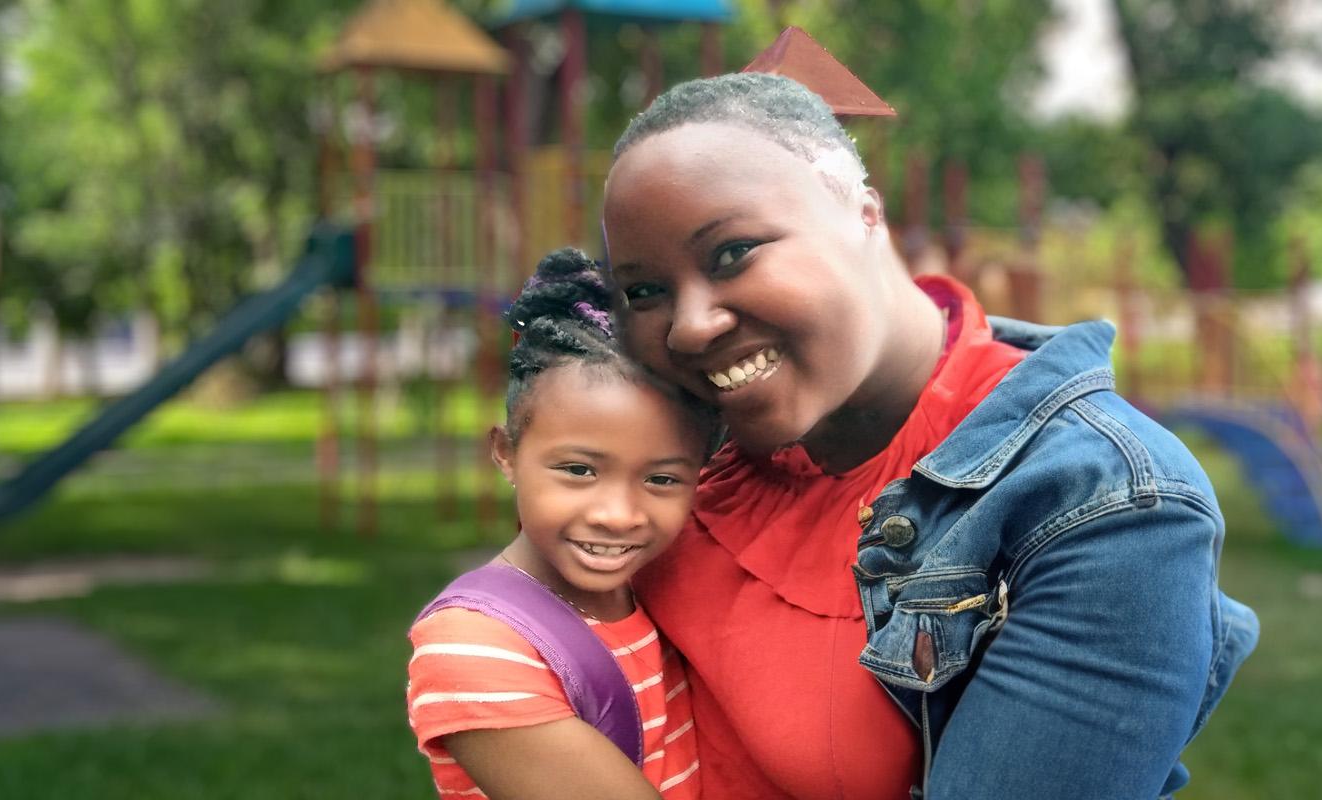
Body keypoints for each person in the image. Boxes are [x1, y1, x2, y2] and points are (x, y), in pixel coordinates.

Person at [602, 73, 1259, 798]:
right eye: (644, 291)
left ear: (863, 213)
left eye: (732, 253)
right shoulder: (671, 453)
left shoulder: (1107, 505)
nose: (689, 325)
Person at [405, 250, 713, 799]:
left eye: (662, 480)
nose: (617, 515)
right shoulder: (476, 647)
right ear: (505, 452)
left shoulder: (655, 590)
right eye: (578, 470)